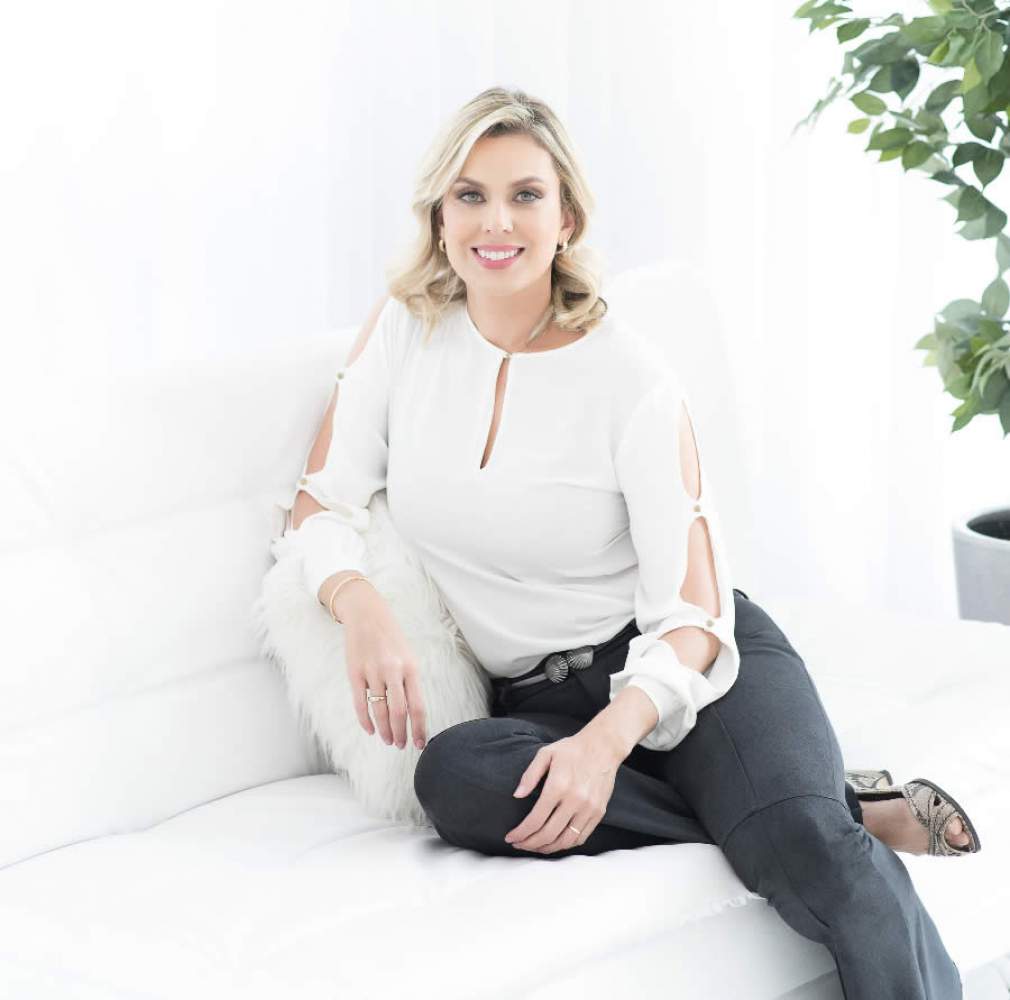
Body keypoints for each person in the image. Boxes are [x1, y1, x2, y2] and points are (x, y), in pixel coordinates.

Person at [279, 87, 978, 999]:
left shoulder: (628, 376)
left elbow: (694, 617)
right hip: (537, 700)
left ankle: (803, 816)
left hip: (687, 670)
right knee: (454, 778)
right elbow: (318, 503)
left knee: (813, 853)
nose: (496, 222)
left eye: (526, 195)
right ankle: (813, 801)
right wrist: (360, 603)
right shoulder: (404, 334)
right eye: (470, 195)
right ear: (439, 216)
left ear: (566, 218)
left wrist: (607, 744)